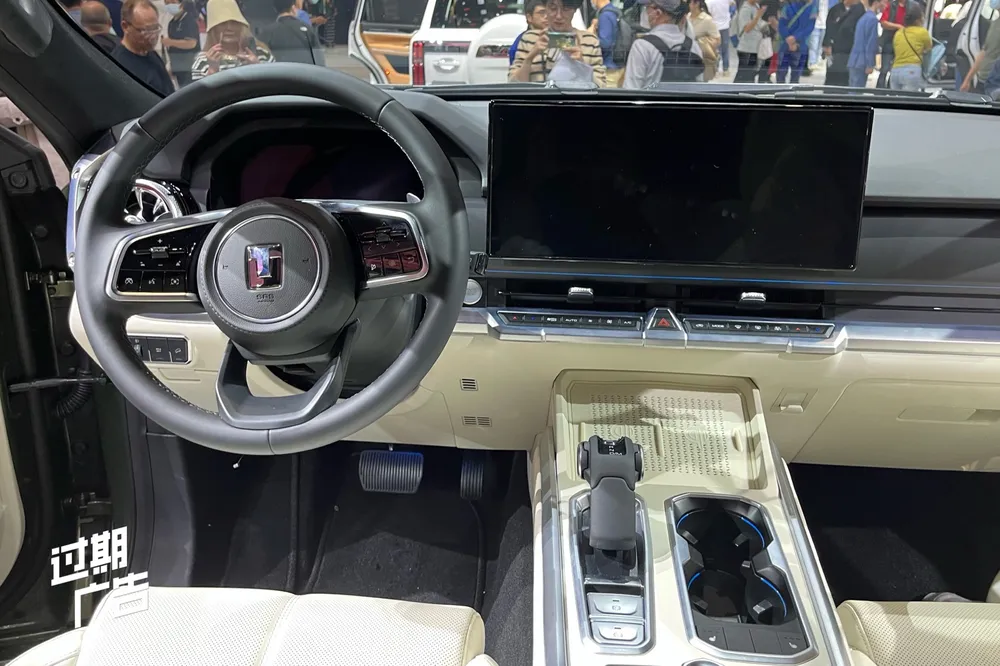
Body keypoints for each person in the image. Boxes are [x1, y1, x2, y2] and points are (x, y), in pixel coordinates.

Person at [508, 0, 607, 86]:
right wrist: (530, 58)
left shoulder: (590, 41)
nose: (559, 16)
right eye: (553, 8)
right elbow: (513, 84)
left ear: (574, 10)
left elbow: (601, 86)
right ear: (546, 8)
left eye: (566, 9)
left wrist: (581, 65)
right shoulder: (530, 38)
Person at [623, 0, 704, 87]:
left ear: (657, 13)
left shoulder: (642, 46)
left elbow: (631, 87)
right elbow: (698, 86)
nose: (645, 12)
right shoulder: (693, 46)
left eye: (647, 7)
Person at [191, 0, 275, 80]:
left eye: (234, 22)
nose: (229, 28)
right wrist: (213, 71)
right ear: (214, 29)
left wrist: (257, 68)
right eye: (222, 24)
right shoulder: (203, 62)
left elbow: (275, 86)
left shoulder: (262, 54)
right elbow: (201, 90)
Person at [111, 0, 175, 96]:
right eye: (146, 30)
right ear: (125, 26)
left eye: (155, 28)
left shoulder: (149, 52)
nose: (153, 36)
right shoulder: (119, 67)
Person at [260, 0, 326, 65]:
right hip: (305, 70)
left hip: (279, 71)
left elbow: (261, 60)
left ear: (275, 9)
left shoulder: (267, 32)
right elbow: (319, 59)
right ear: (293, 8)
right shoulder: (307, 29)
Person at [961, 0, 1000, 92]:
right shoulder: (995, 23)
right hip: (983, 79)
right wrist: (968, 79)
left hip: (996, 83)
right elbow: (984, 52)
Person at [823, 0, 864, 86]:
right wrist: (827, 44)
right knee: (832, 75)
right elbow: (829, 28)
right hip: (835, 48)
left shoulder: (859, 9)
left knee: (845, 76)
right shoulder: (835, 9)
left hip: (849, 49)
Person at [890, 1, 929, 91]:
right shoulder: (922, 32)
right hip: (911, 70)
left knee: (895, 99)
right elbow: (928, 48)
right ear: (918, 20)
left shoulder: (899, 33)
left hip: (895, 71)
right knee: (908, 99)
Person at [775, 0, 815, 83]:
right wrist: (794, 38)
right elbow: (809, 28)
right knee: (793, 76)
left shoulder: (787, 7)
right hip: (799, 45)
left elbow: (781, 25)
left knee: (783, 74)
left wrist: (790, 38)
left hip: (788, 44)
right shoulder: (812, 9)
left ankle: (781, 91)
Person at [161, 0, 199, 87]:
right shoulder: (172, 23)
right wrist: (172, 67)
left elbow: (192, 43)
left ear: (181, 4)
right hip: (178, 68)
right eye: (167, 3)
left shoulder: (189, 20)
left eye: (173, 2)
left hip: (191, 67)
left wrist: (170, 42)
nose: (169, 5)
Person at [847, 0, 883, 88]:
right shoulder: (873, 20)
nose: (883, 6)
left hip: (854, 60)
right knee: (857, 91)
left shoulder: (863, 18)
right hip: (862, 62)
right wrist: (870, 64)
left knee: (852, 89)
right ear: (875, 3)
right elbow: (871, 44)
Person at [732, 0, 766, 82]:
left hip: (755, 48)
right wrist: (757, 16)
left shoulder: (756, 6)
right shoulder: (745, 9)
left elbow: (757, 24)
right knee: (744, 76)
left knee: (751, 75)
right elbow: (747, 29)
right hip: (746, 49)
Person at [593, 0, 625, 86]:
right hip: (618, 64)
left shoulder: (605, 16)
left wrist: (591, 36)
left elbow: (605, 43)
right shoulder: (615, 11)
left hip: (609, 68)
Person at [876, 0, 906, 87]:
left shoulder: (911, 6)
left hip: (903, 42)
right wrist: (898, 27)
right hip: (889, 41)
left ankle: (891, 89)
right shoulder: (892, 6)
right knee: (884, 69)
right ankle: (879, 90)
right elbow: (883, 22)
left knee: (896, 70)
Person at [509, 0, 549, 66]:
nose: (547, 16)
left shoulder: (554, 36)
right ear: (529, 17)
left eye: (549, 12)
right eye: (542, 13)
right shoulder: (521, 42)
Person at [689, 0, 721, 79]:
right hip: (687, 59)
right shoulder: (686, 17)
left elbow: (717, 40)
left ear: (696, 3)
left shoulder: (707, 19)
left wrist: (702, 41)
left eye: (688, 2)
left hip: (702, 60)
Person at [706, 0, 731, 73]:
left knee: (715, 49)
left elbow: (708, 14)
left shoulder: (709, 1)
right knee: (725, 49)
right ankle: (725, 69)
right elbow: (733, 3)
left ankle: (715, 69)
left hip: (714, 27)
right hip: (725, 27)